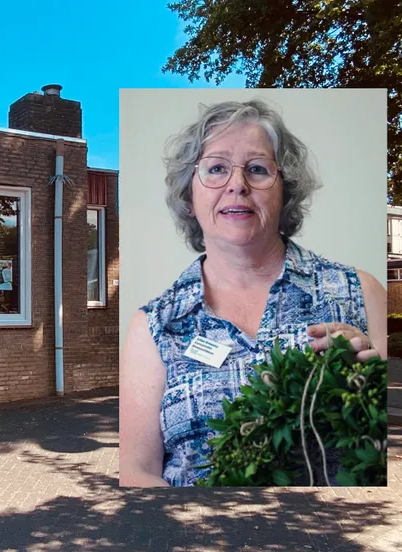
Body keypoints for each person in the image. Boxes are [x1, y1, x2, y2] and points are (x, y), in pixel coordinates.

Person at [119, 99, 387, 487]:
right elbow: (136, 472)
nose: (237, 185)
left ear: (285, 191)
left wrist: (372, 386)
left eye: (258, 169)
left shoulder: (361, 293)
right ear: (189, 198)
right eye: (216, 169)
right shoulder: (155, 325)